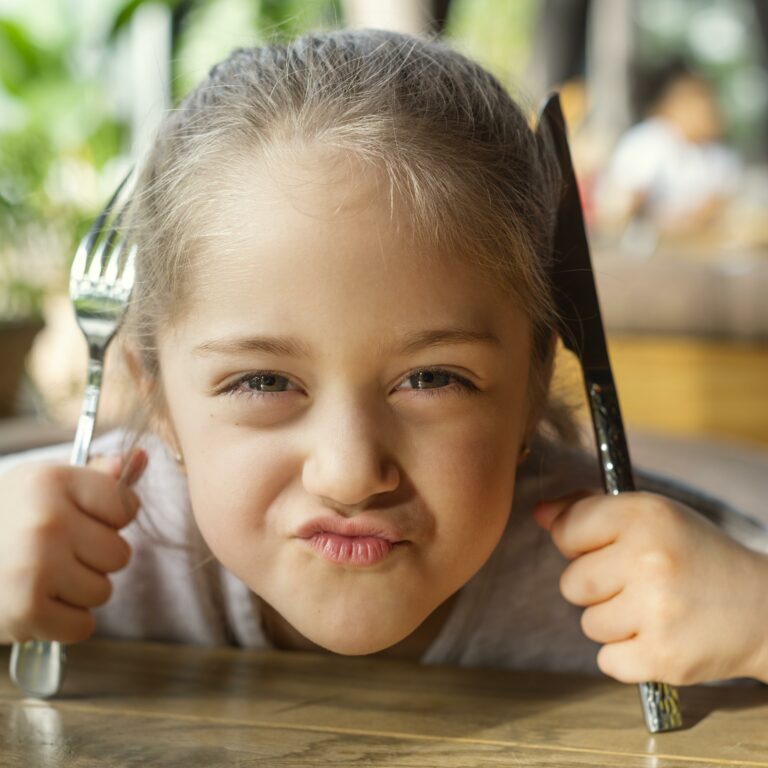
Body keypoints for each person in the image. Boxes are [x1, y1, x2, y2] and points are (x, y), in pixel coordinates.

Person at [1, 30, 766, 687]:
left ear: (533, 386)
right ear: (157, 398)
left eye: (432, 378)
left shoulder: (657, 569)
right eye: (263, 380)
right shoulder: (67, 543)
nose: (349, 472)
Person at [596, 62, 742, 243]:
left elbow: (720, 209)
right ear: (673, 106)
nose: (711, 110)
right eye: (700, 101)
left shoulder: (719, 155)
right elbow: (621, 209)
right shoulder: (648, 141)